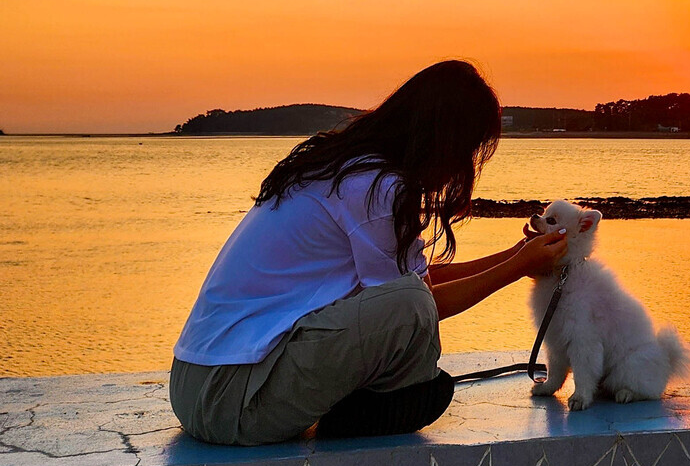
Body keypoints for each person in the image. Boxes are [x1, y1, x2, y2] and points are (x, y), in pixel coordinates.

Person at [169, 60, 567, 446]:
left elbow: (418, 282)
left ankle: (381, 401)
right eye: (470, 149)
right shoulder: (377, 187)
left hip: (198, 385)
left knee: (410, 306)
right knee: (414, 317)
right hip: (232, 398)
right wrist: (518, 268)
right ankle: (375, 406)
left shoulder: (353, 169)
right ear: (446, 141)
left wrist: (516, 255)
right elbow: (420, 303)